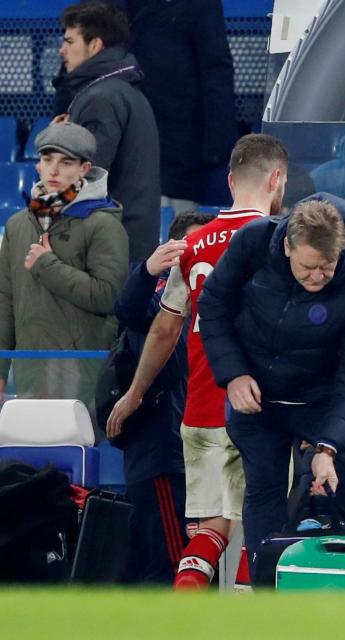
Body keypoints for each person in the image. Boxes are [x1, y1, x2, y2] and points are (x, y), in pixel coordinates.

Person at [106, 133, 289, 590]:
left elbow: (165, 328)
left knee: (212, 529)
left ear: (230, 180)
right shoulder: (280, 241)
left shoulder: (194, 246)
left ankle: (183, 620)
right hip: (260, 403)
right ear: (277, 179)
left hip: (201, 406)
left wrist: (135, 392)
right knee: (261, 525)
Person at [197, 196, 345, 575]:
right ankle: (266, 595)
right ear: (287, 246)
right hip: (257, 397)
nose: (317, 277)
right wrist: (233, 374)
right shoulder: (254, 243)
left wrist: (328, 447)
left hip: (325, 400)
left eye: (327, 267)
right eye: (308, 267)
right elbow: (213, 303)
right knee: (264, 489)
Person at [107, 211, 214, 584]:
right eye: (192, 245)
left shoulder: (215, 311)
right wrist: (148, 270)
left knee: (190, 568)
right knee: (171, 569)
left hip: (196, 463)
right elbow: (127, 310)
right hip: (162, 462)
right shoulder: (156, 309)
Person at [0, 122, 128, 413]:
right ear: (39, 165)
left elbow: (109, 296)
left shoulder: (103, 223)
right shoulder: (18, 224)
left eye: (66, 162)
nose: (54, 170)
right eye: (47, 160)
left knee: (77, 453)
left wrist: (47, 266)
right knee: (28, 454)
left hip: (82, 369)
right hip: (29, 368)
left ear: (84, 169)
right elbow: (4, 301)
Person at [53, 1, 161, 264]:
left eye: (69, 41)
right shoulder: (120, 90)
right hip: (126, 240)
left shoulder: (101, 98)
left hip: (108, 248)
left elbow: (87, 177)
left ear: (95, 45)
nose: (61, 50)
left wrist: (57, 144)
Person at [125, 0, 237, 212]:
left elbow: (216, 71)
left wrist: (217, 147)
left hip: (179, 143)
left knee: (179, 228)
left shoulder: (198, 6)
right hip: (130, 136)